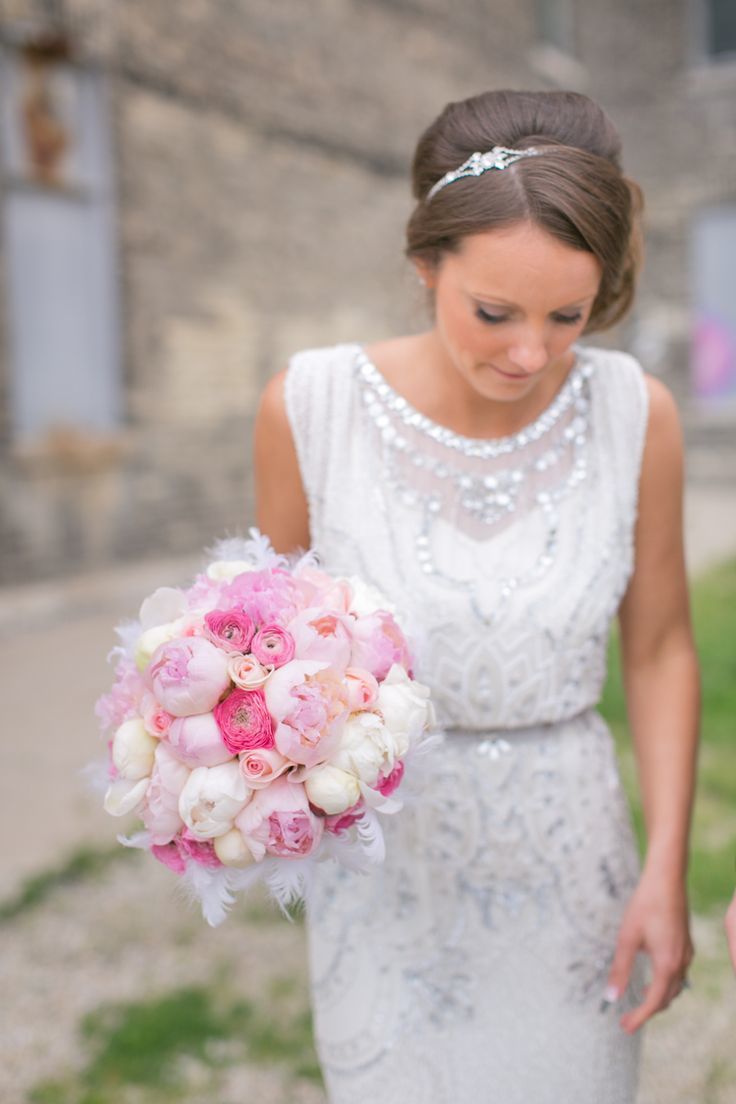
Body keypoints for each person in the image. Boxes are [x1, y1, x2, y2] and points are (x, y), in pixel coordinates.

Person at [253, 89, 700, 1103]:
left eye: (568, 317)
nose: (531, 354)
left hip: (572, 855)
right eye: (493, 313)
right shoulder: (308, 407)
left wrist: (663, 869)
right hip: (387, 878)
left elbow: (663, 647)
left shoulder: (639, 414)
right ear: (425, 265)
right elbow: (265, 652)